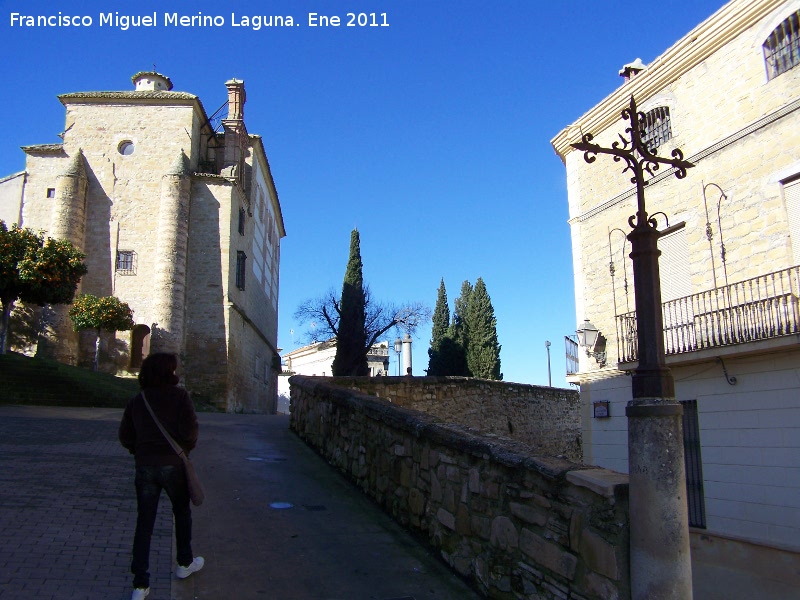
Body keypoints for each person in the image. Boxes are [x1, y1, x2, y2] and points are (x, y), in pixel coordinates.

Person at [119, 353, 204, 600]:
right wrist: (183, 450)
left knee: (144, 522)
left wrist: (141, 450)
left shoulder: (138, 400)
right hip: (173, 465)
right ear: (169, 372)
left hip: (145, 467)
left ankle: (140, 584)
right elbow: (190, 432)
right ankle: (184, 563)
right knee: (181, 513)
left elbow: (125, 435)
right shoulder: (179, 397)